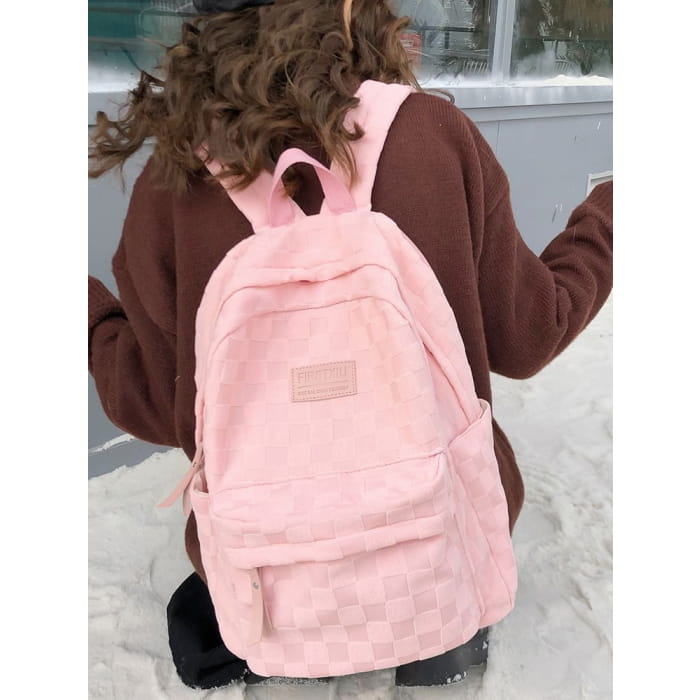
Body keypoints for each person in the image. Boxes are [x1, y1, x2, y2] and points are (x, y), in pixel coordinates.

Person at [88, 0, 613, 689]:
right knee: (441, 590)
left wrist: (91, 315)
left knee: (228, 606)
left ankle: (276, 633)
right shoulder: (430, 135)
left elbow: (161, 409)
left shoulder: (175, 177)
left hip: (264, 560)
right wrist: (607, 219)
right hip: (438, 534)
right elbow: (529, 337)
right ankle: (440, 647)